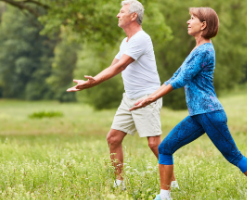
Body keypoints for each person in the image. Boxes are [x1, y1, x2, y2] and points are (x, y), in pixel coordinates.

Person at [129, 7, 247, 200]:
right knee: (165, 148)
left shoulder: (205, 51)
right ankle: (164, 196)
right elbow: (175, 76)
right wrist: (149, 96)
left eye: (192, 18)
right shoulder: (197, 49)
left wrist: (151, 98)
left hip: (209, 112)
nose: (188, 22)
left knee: (233, 155)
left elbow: (181, 80)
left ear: (204, 25)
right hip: (198, 115)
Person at [67, 0, 178, 190]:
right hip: (130, 97)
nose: (118, 15)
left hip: (147, 97)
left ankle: (172, 184)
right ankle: (119, 184)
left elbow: (120, 66)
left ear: (133, 16)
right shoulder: (125, 41)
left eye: (122, 11)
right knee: (113, 138)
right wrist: (91, 81)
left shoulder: (141, 39)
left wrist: (92, 84)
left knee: (153, 144)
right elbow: (113, 66)